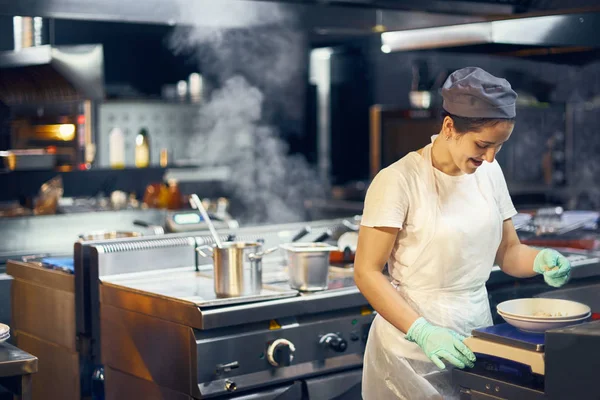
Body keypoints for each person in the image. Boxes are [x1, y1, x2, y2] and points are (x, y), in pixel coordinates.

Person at [354, 67, 571, 399]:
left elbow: (509, 252)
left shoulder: (489, 173)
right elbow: (367, 272)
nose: (490, 157)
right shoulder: (398, 180)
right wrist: (421, 331)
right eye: (483, 144)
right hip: (409, 353)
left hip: (477, 340)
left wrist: (540, 259)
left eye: (498, 147)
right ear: (449, 126)